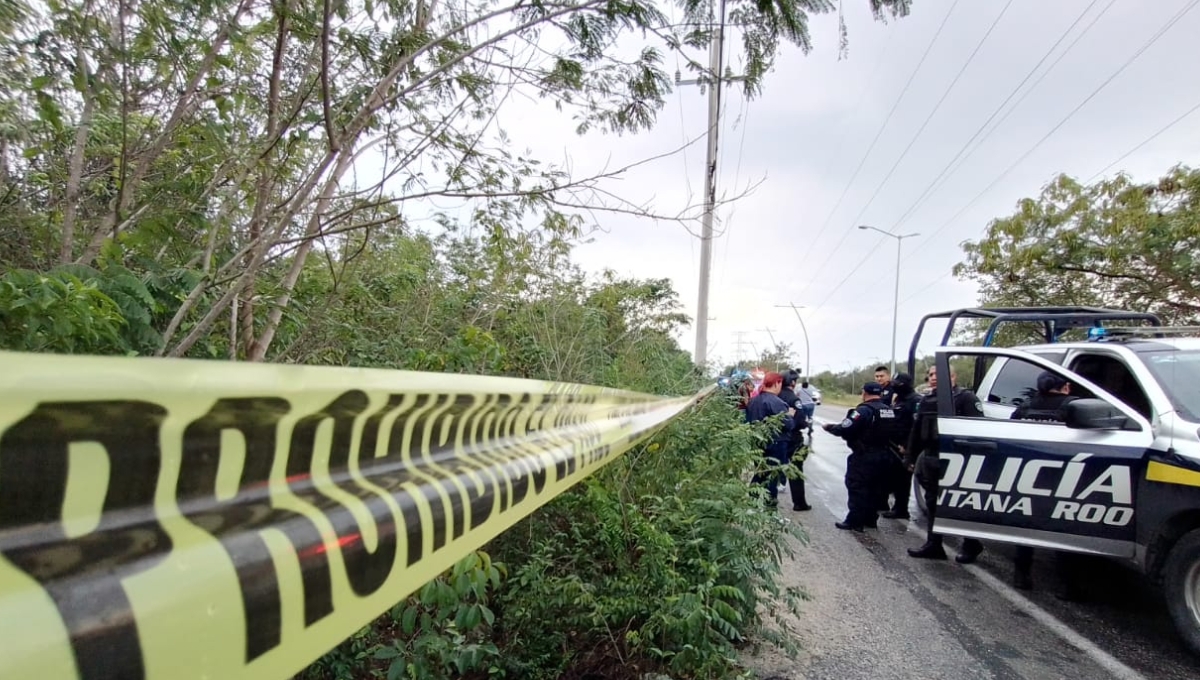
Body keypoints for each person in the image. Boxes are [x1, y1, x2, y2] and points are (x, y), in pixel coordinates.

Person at [1009, 371, 1085, 597]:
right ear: (1066, 386)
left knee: (1026, 525)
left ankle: (1021, 575)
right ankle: (1066, 586)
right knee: (1063, 528)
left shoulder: (1025, 406)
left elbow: (1008, 433)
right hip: (1063, 476)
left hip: (1028, 475)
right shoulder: (1076, 406)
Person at [906, 366, 986, 562]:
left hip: (958, 459)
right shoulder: (926, 400)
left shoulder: (965, 398)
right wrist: (910, 457)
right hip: (932, 457)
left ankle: (971, 543)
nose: (933, 378)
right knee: (933, 503)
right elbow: (916, 431)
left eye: (937, 374)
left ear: (953, 376)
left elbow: (979, 430)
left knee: (960, 503)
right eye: (931, 375)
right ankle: (934, 545)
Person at [822, 382, 896, 531]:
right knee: (875, 488)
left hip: (865, 455)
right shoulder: (888, 410)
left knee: (857, 486)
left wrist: (829, 427)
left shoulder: (863, 411)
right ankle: (870, 519)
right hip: (885, 455)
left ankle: (855, 521)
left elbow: (845, 428)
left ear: (864, 392)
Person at [745, 371, 796, 508]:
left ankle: (752, 502)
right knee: (772, 476)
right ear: (777, 383)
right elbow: (788, 424)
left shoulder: (754, 400)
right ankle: (770, 506)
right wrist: (790, 415)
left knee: (760, 473)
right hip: (775, 444)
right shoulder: (777, 403)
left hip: (757, 443)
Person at [881, 372, 920, 520]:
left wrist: (907, 446)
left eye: (897, 385)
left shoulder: (915, 400)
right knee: (896, 478)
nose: (894, 387)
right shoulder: (898, 399)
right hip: (894, 445)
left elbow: (915, 428)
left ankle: (902, 509)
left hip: (905, 448)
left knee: (903, 480)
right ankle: (897, 506)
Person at [778, 371, 813, 511]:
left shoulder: (776, 395)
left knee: (772, 468)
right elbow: (798, 420)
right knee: (795, 471)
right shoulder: (793, 398)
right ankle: (799, 503)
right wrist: (805, 424)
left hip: (777, 437)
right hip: (792, 438)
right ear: (792, 382)